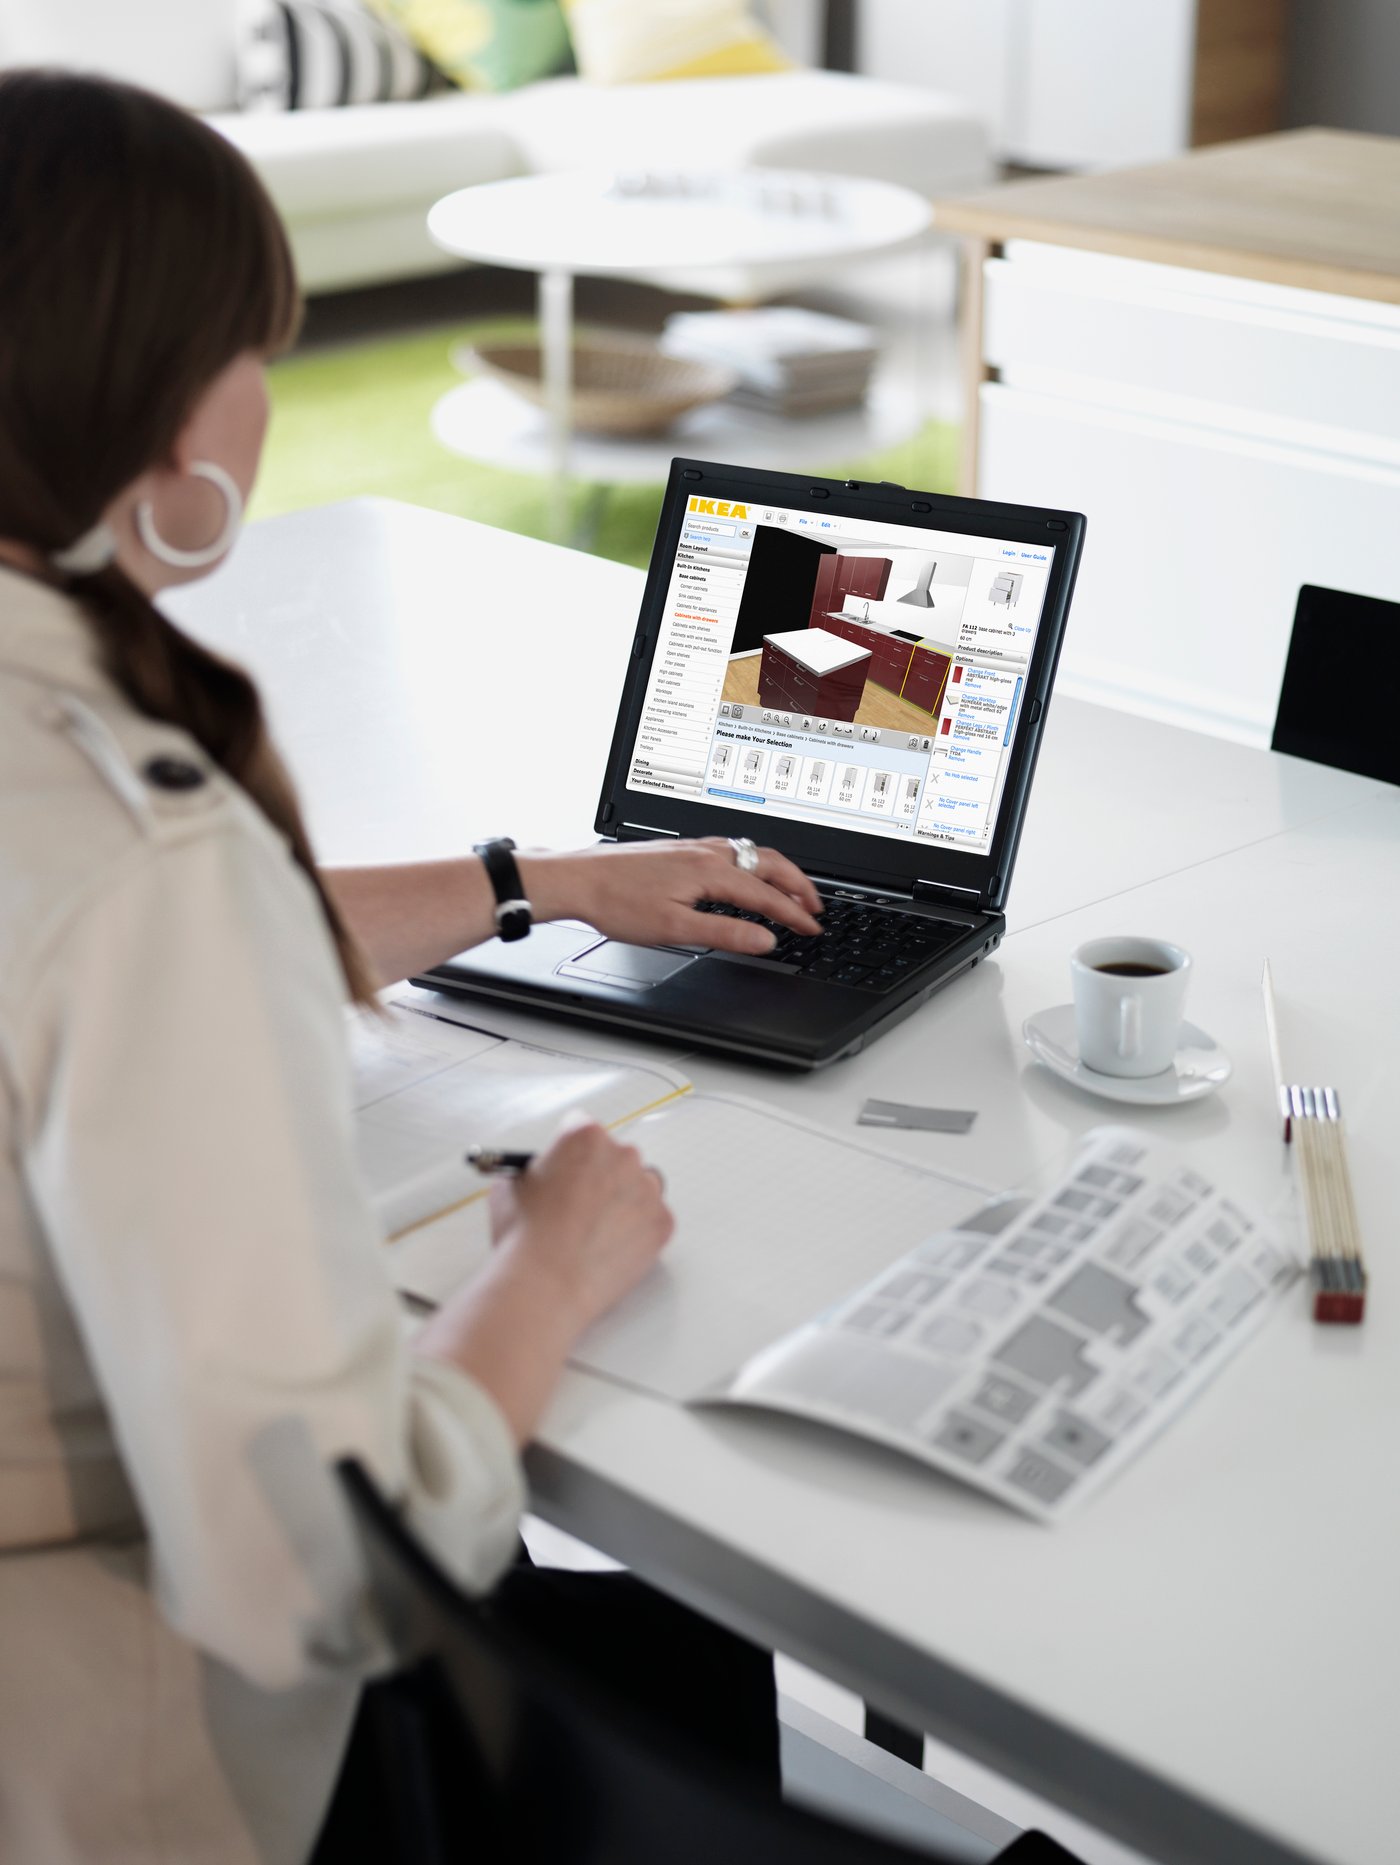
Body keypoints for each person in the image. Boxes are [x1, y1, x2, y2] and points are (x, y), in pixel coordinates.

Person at [0, 71, 1081, 1865]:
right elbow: (316, 1572)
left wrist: (540, 880)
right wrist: (554, 1271)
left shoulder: (112, 839)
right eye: (251, 351)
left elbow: (102, 946)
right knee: (678, 1633)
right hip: (131, 1768)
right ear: (161, 418)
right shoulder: (144, 859)